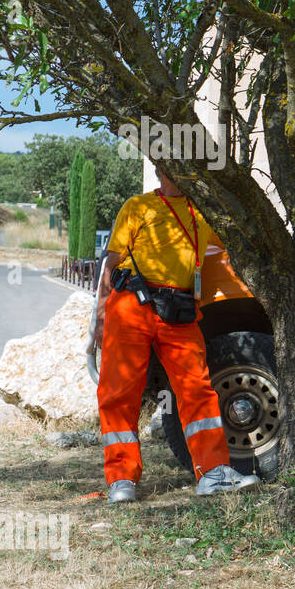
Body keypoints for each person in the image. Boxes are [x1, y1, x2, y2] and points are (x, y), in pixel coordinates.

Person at [92, 164, 259, 503]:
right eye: (172, 169)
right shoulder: (137, 206)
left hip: (179, 309)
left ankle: (213, 473)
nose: (180, 175)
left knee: (197, 388)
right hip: (130, 304)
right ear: (160, 172)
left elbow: (240, 236)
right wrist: (99, 316)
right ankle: (121, 479)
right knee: (119, 392)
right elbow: (111, 264)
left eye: (184, 168)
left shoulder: (203, 213)